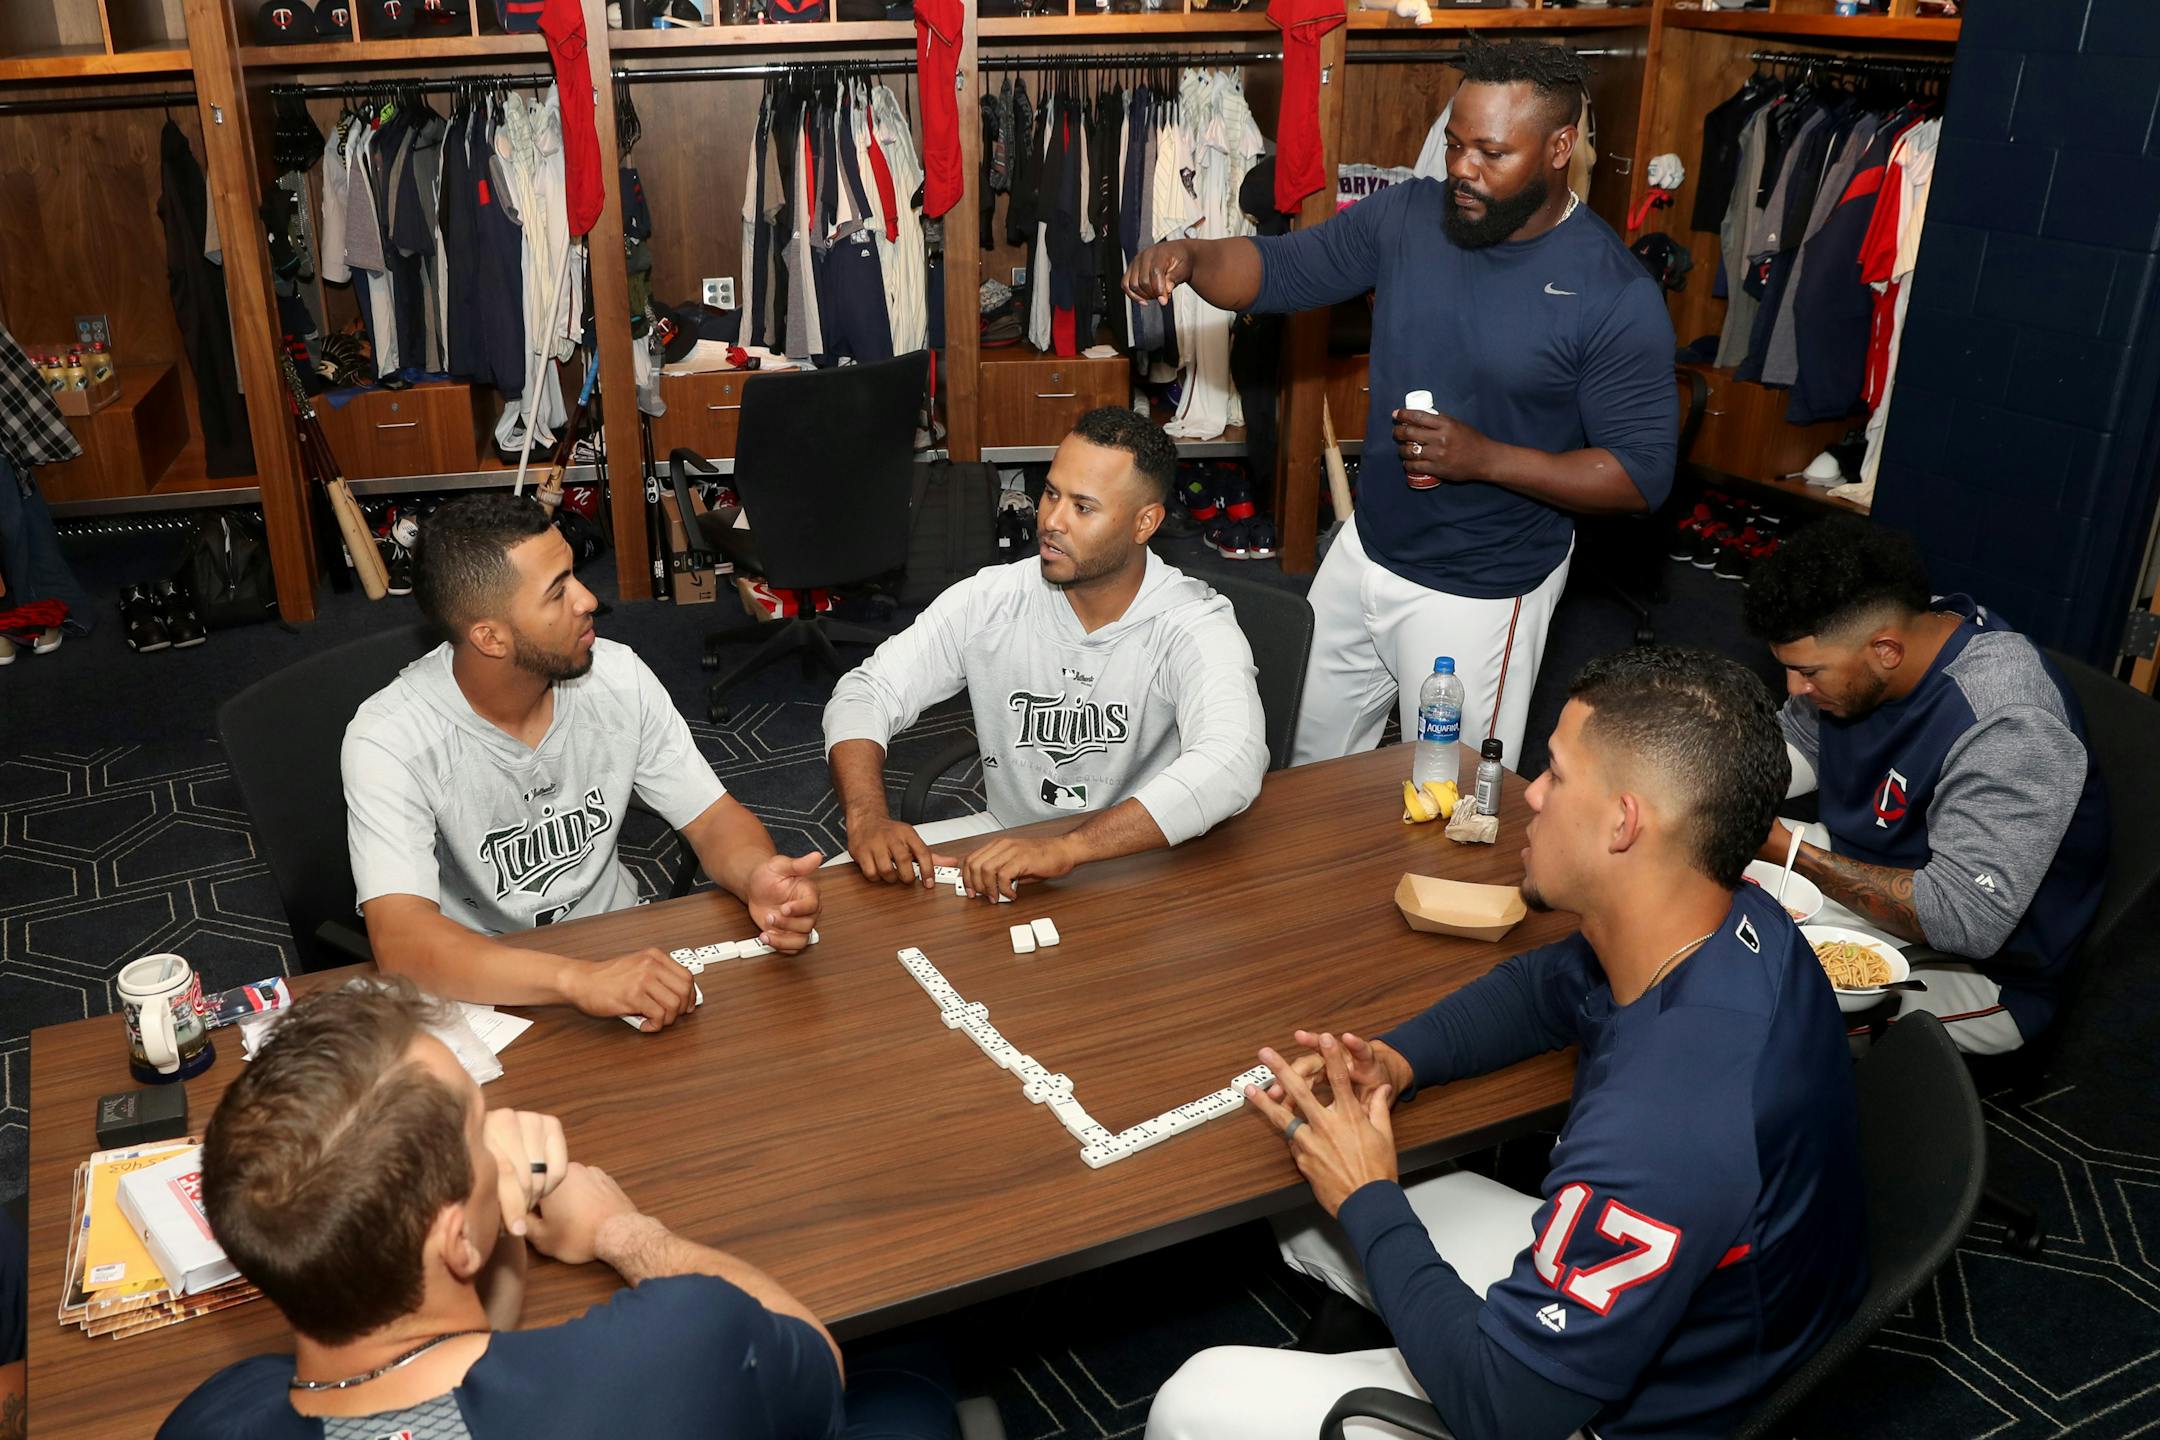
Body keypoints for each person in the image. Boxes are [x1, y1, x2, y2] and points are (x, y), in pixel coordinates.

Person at [1148, 649, 1866, 1440]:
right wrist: (1397, 1058)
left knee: (1195, 1398)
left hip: (1623, 1414)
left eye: (1555, 776)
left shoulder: (1666, 1129)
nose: (1531, 795)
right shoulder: (1736, 917)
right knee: (1304, 1190)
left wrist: (1368, 1197)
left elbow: (1505, 1410)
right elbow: (1541, 989)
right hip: (1716, 1313)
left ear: (1623, 822)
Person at [1123, 39, 1677, 770]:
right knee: (1303, 767)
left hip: (1480, 590)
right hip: (1366, 548)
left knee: (1448, 803)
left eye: (1490, 152)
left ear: (1559, 147)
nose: (1461, 169)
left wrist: (1485, 458)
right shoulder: (1411, 215)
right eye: (1453, 144)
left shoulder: (1613, 292)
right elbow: (1281, 270)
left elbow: (1639, 476)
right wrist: (1193, 259)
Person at [160, 978, 956, 1440]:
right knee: (914, 1387)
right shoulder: (678, 1345)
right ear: (452, 1241)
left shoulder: (213, 1418)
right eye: (482, 1125)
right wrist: (621, 1229)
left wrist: (493, 1217)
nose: (501, 1134)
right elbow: (812, 1357)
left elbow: (444, 1369)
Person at [344, 494, 824, 1032]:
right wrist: (578, 982)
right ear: (490, 637)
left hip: (622, 950)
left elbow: (712, 818)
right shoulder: (389, 739)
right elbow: (402, 945)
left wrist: (755, 874)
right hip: (482, 986)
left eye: (574, 575)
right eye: (558, 592)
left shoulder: (617, 676)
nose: (589, 599)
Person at [824, 406, 1269, 901]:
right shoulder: (992, 598)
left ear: (1145, 523)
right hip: (1011, 842)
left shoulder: (1192, 624)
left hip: (1147, 857)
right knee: (844, 884)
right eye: (1051, 493)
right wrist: (866, 817)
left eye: (1083, 507)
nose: (1051, 521)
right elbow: (867, 691)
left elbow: (1232, 760)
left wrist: (1070, 848)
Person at [1742, 516, 2109, 1054]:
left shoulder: (2008, 721)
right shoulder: (1881, 636)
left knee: (1763, 1014)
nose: (1796, 688)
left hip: (1986, 965)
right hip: (1868, 861)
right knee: (1694, 872)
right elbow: (1795, 744)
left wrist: (1785, 849)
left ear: (1886, 650)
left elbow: (1962, 919)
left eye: (1810, 672)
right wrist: (1713, 782)